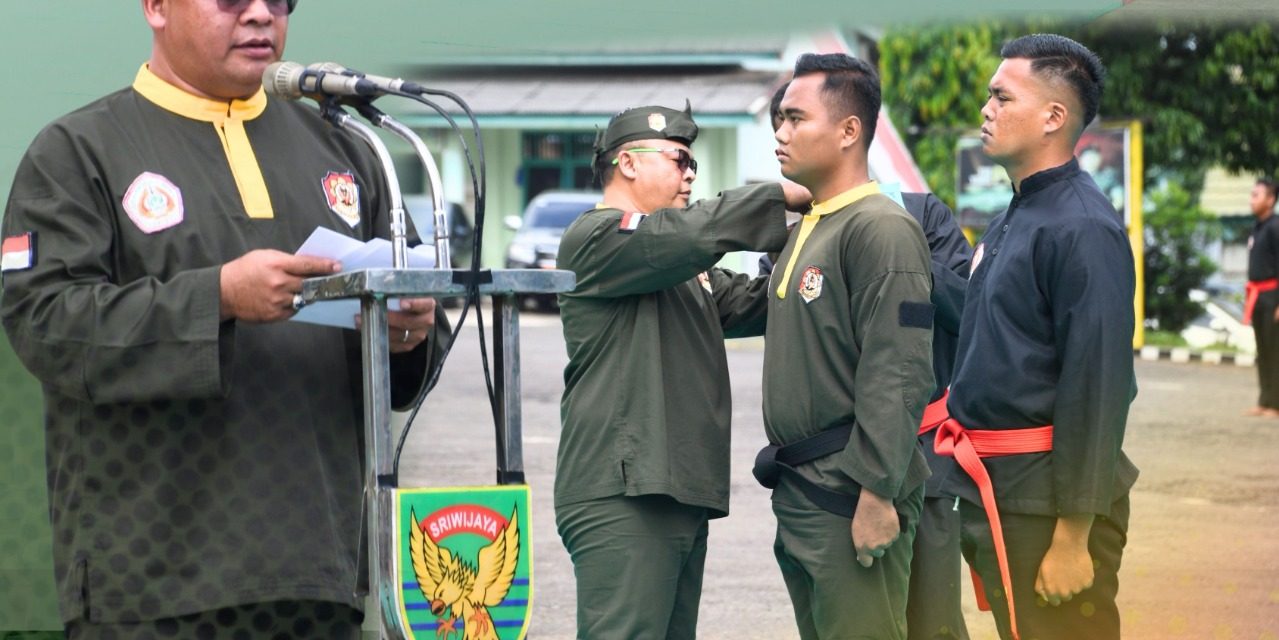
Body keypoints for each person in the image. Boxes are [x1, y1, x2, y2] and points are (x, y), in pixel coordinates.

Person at [0, 0, 445, 637]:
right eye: (232, 0)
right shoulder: (77, 151)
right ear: (155, 7)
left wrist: (408, 335)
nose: (261, 16)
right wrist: (219, 300)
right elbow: (45, 322)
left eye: (279, 0)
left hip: (321, 573)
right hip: (153, 583)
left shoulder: (347, 147)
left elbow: (406, 363)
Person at [554, 103, 809, 639]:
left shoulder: (677, 264)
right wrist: (780, 196)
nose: (691, 174)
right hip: (623, 492)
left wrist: (826, 241)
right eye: (679, 159)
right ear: (627, 163)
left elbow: (763, 301)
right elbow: (687, 234)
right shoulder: (599, 237)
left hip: (672, 489)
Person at [935, 34, 1138, 640]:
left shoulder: (1083, 228)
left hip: (1048, 505)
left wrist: (1073, 536)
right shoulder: (1013, 218)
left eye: (1002, 96)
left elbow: (1098, 386)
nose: (986, 110)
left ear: (1054, 116)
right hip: (1000, 490)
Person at [764, 76, 975, 640]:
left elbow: (898, 368)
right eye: (777, 120)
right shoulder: (815, 228)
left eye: (795, 119)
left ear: (849, 131)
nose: (780, 134)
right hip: (807, 489)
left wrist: (878, 493)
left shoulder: (881, 227)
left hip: (849, 488)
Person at [1244, 177, 1279, 417]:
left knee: (1275, 350)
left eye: (1256, 195)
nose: (1251, 199)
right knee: (1262, 350)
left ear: (1271, 199)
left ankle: (1276, 404)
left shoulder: (1276, 227)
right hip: (1257, 296)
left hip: (1273, 296)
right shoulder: (1258, 227)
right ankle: (1264, 400)